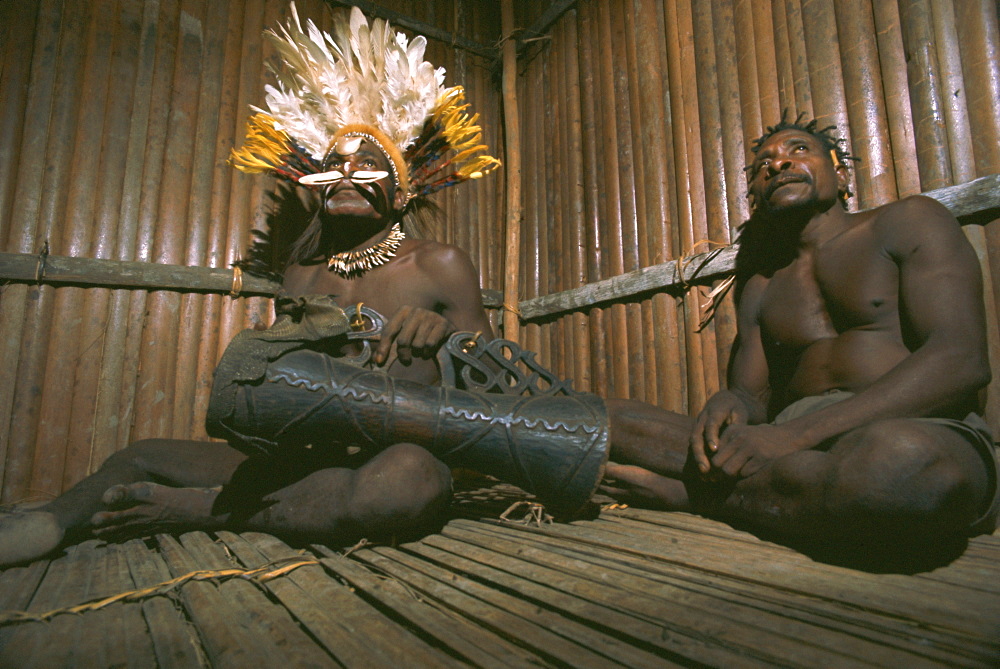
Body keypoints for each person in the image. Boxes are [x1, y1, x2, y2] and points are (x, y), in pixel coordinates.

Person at [0, 5, 503, 567]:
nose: (344, 175)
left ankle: (204, 511)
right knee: (139, 455)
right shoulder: (303, 273)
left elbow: (497, 385)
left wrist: (447, 342)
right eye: (333, 165)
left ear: (403, 192)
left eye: (366, 165)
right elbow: (277, 383)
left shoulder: (439, 264)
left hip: (398, 454)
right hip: (308, 457)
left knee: (403, 483)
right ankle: (49, 523)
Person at [602, 115, 998, 548]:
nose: (777, 164)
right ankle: (774, 495)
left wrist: (794, 436)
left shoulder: (909, 220)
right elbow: (753, 398)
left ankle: (698, 496)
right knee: (606, 418)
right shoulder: (761, 284)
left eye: (798, 150)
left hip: (912, 427)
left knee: (897, 467)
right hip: (791, 450)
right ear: (756, 195)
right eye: (763, 165)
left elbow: (960, 360)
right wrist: (730, 402)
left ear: (840, 173)